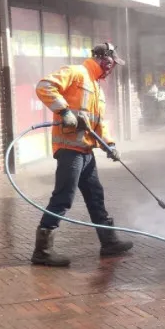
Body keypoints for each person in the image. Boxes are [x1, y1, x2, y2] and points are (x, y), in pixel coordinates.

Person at [31, 42, 133, 267]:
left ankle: (108, 242)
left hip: (86, 151)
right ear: (105, 59)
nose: (112, 68)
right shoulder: (76, 73)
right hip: (70, 150)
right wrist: (64, 110)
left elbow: (98, 123)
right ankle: (42, 251)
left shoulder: (96, 86)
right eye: (112, 63)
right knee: (63, 197)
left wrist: (110, 144)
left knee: (95, 195)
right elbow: (44, 86)